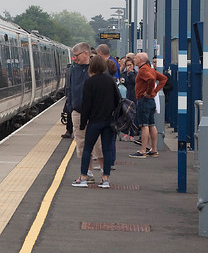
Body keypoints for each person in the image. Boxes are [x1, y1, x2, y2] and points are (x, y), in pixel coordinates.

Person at [73, 55, 120, 188]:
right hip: (108, 122)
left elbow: (86, 104)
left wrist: (83, 123)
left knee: (87, 148)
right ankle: (105, 179)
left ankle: (83, 178)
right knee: (107, 149)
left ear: (92, 67)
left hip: (94, 122)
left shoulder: (89, 82)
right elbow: (118, 100)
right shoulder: (110, 81)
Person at [130, 52, 167, 158]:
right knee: (151, 124)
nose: (134, 60)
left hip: (144, 100)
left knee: (144, 125)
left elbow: (150, 79)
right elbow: (163, 79)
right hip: (151, 101)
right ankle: (154, 149)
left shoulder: (143, 70)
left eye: (136, 58)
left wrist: (150, 91)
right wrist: (155, 91)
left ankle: (142, 150)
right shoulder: (150, 69)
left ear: (141, 60)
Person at [67, 42, 96, 171]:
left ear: (86, 53)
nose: (74, 58)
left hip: (95, 114)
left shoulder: (96, 69)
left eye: (76, 55)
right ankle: (86, 171)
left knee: (97, 144)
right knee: (81, 143)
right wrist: (71, 106)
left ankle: (104, 175)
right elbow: (70, 88)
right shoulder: (74, 69)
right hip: (78, 112)